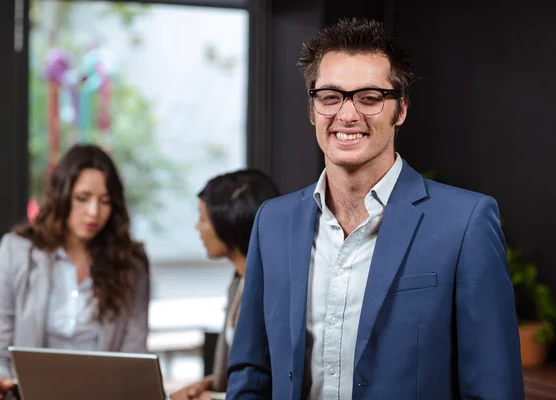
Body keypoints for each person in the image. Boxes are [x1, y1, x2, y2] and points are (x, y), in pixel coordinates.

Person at [226, 17, 524, 400]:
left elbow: (494, 386)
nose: (347, 115)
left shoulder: (465, 223)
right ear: (312, 109)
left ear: (399, 111)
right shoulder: (273, 221)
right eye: (330, 97)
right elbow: (252, 370)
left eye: (369, 98)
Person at [0, 144, 150, 400]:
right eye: (82, 198)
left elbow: (134, 356)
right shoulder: (16, 252)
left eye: (105, 201)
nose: (93, 212)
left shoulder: (130, 263)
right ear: (62, 195)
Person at [170, 169, 279, 400]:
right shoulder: (238, 282)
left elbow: (272, 381)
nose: (197, 228)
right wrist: (209, 384)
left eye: (202, 218)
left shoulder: (274, 290)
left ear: (228, 220)